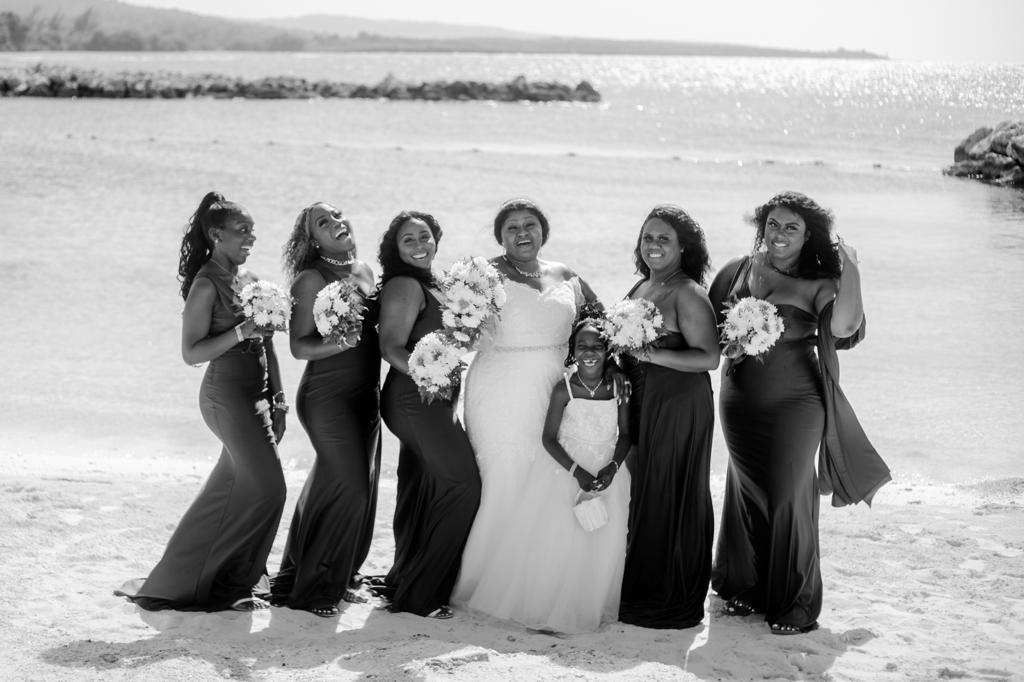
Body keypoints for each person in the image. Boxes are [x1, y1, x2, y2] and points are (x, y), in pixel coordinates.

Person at [709, 191, 888, 635]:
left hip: (795, 401)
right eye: (773, 224)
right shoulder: (739, 269)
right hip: (738, 395)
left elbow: (845, 328)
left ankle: (795, 604)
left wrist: (852, 270)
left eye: (792, 227)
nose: (780, 234)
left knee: (790, 491)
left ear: (809, 235)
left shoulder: (820, 283)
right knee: (745, 485)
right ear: (761, 226)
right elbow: (710, 328)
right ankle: (745, 587)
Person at [116, 191, 287, 612]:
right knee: (270, 489)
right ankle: (230, 585)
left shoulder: (250, 281)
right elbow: (191, 353)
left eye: (253, 231)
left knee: (231, 490)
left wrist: (279, 398)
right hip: (225, 396)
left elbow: (266, 342)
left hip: (257, 396)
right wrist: (239, 334)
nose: (251, 238)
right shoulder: (206, 283)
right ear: (216, 234)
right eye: (241, 231)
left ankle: (206, 578)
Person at [451, 198, 603, 626]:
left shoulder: (566, 274)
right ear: (500, 236)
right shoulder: (482, 274)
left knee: (549, 478)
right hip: (501, 386)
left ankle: (541, 579)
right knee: (505, 476)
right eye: (512, 227)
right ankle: (486, 581)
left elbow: (600, 323)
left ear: (543, 231)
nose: (522, 233)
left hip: (558, 388)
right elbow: (458, 330)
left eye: (530, 225)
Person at [270, 202, 381, 617]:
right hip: (327, 397)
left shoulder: (365, 270)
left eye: (337, 214)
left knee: (354, 486)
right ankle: (313, 591)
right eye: (323, 222)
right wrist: (342, 343)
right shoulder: (310, 278)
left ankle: (329, 574)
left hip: (366, 395)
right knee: (349, 484)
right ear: (311, 239)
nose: (336, 222)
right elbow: (299, 346)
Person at [618, 204, 720, 629]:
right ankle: (641, 587)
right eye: (648, 238)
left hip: (678, 401)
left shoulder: (688, 293)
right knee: (645, 490)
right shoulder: (643, 285)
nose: (654, 245)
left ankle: (673, 598)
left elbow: (710, 357)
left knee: (673, 490)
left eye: (664, 239)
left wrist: (650, 354)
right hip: (644, 397)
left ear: (683, 247)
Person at [376, 210, 481, 619]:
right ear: (396, 249)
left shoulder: (434, 284)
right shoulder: (404, 285)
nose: (419, 244)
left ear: (436, 239)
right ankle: (420, 596)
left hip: (434, 400)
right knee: (463, 484)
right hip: (413, 399)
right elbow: (392, 347)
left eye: (425, 236)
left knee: (423, 489)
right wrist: (431, 372)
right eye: (408, 239)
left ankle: (405, 579)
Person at [520, 312, 632, 633]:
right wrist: (576, 471)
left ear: (608, 351)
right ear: (573, 349)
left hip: (607, 466)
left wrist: (612, 467)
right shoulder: (563, 389)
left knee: (602, 538)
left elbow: (625, 434)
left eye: (597, 346)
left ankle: (590, 603)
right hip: (568, 468)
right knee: (562, 536)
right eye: (582, 345)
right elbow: (548, 438)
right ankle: (556, 602)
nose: (589, 352)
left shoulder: (618, 387)